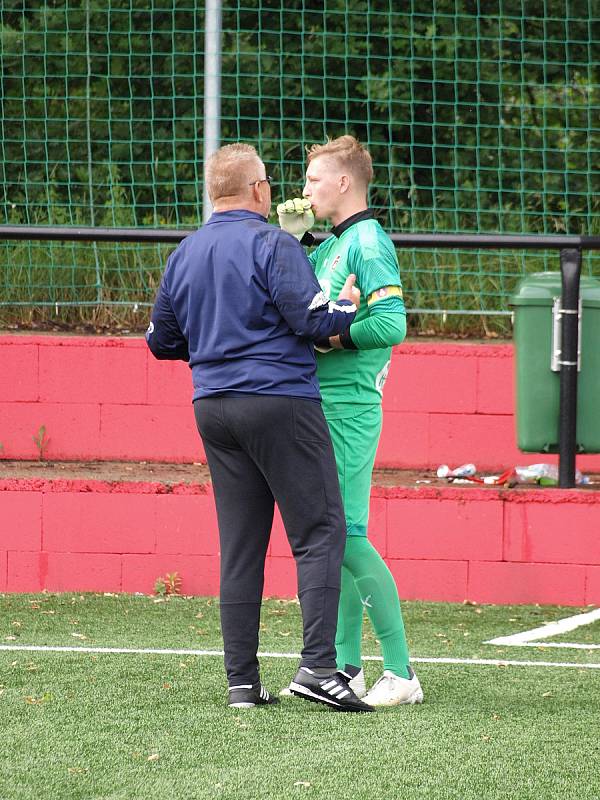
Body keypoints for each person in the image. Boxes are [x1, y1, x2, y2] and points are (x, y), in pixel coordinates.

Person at [146, 142, 373, 713]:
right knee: (321, 530)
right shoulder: (274, 243)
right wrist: (347, 306)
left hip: (213, 407)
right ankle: (320, 669)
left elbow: (160, 342)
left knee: (241, 547)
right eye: (269, 182)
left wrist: (216, 347)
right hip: (278, 401)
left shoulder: (185, 252)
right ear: (257, 189)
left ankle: (242, 684)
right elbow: (312, 319)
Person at [278, 135, 423, 707]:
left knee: (349, 535)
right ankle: (344, 668)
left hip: (349, 406)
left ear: (343, 183)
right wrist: (287, 242)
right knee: (331, 538)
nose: (304, 190)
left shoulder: (367, 241)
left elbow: (390, 324)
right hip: (324, 404)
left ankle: (402, 673)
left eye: (313, 180)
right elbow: (298, 304)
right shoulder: (330, 244)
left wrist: (337, 338)